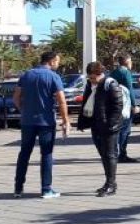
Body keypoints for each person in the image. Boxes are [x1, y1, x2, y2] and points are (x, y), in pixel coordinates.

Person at [12, 51, 70, 199]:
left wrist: (23, 110)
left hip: (27, 121)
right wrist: (66, 120)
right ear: (51, 61)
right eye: (57, 61)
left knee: (24, 153)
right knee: (46, 154)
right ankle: (46, 189)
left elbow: (16, 97)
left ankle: (18, 188)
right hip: (46, 122)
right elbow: (62, 101)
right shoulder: (53, 77)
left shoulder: (26, 75)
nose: (58, 63)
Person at [77, 62, 124, 197]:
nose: (92, 80)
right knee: (103, 154)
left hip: (109, 127)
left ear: (101, 74)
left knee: (109, 155)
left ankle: (111, 184)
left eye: (93, 78)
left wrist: (111, 125)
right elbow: (87, 103)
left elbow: (117, 106)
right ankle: (109, 183)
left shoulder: (110, 84)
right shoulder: (90, 85)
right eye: (90, 78)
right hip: (96, 124)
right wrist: (82, 122)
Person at [109, 54, 139, 163]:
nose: (132, 63)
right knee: (125, 130)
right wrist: (134, 105)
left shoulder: (114, 72)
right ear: (127, 62)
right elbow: (129, 89)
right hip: (125, 105)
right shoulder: (125, 73)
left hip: (115, 104)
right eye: (131, 61)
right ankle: (122, 154)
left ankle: (114, 153)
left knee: (118, 130)